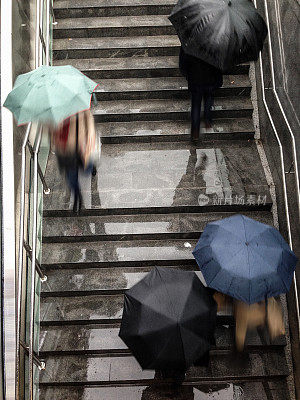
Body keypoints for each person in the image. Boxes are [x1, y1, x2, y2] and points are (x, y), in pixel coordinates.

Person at [51, 109, 97, 213]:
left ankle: (91, 165)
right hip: (65, 151)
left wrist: (89, 141)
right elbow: (51, 130)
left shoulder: (80, 107)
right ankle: (78, 197)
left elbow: (89, 123)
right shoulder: (54, 111)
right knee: (71, 179)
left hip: (80, 148)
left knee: (86, 170)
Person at [179, 47, 223, 142]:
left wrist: (188, 75)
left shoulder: (189, 42)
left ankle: (195, 131)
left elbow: (182, 64)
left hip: (195, 79)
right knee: (209, 98)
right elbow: (220, 62)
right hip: (210, 77)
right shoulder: (215, 41)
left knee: (196, 105)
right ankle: (207, 118)